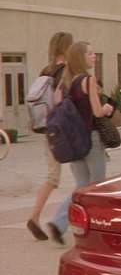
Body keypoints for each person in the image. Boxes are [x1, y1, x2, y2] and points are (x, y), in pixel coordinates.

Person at [46, 41, 114, 244]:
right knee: (97, 187)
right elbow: (97, 112)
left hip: (74, 140)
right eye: (90, 53)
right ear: (81, 57)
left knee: (82, 186)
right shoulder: (88, 80)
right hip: (91, 138)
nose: (94, 57)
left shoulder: (66, 82)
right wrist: (108, 108)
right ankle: (97, 229)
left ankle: (58, 222)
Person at [26, 31, 72, 241]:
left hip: (47, 128)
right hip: (61, 129)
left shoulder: (46, 70)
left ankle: (36, 217)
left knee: (53, 175)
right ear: (66, 48)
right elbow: (60, 99)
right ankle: (38, 218)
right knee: (59, 177)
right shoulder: (65, 71)